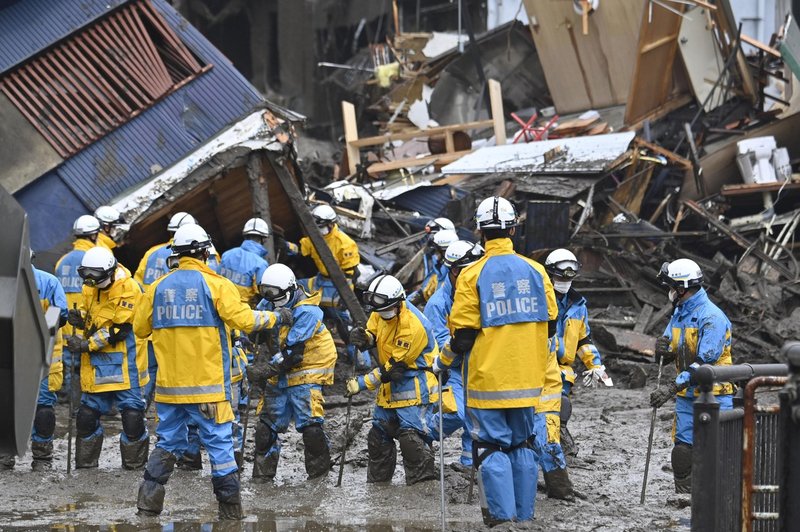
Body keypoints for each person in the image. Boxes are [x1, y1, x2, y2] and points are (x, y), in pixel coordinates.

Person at [133, 223, 293, 520]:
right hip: (208, 389)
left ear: (177, 254)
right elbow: (245, 320)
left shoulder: (157, 288)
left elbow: (140, 328)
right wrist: (277, 317)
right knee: (220, 446)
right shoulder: (216, 285)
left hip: (169, 390)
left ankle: (147, 507)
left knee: (167, 442)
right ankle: (231, 515)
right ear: (205, 252)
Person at [433, 196, 558, 526]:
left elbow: (462, 337)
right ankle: (524, 518)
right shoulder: (537, 272)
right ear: (514, 229)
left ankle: (503, 523)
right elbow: (551, 326)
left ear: (478, 232)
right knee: (523, 444)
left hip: (488, 384)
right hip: (529, 382)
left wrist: (442, 362)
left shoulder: (472, 275)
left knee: (490, 448)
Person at [649, 258, 734, 494]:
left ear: (682, 288)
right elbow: (670, 349)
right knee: (683, 450)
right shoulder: (679, 312)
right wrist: (662, 351)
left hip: (715, 394)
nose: (668, 291)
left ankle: (720, 496)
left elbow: (703, 362)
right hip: (687, 394)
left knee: (718, 447)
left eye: (670, 286)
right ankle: (686, 496)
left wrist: (670, 388)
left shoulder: (712, 317)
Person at [346, 274, 439, 485]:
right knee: (378, 438)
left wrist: (360, 384)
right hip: (389, 391)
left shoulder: (413, 327)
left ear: (399, 304)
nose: (382, 315)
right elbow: (374, 331)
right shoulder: (381, 311)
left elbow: (391, 369)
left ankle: (421, 489)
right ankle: (378, 488)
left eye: (387, 311)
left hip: (414, 388)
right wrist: (365, 338)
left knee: (411, 440)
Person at [247, 264, 337, 482]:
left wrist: (264, 371)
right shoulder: (270, 300)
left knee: (311, 429)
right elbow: (255, 323)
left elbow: (293, 354)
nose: (270, 300)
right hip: (282, 369)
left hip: (308, 368)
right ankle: (262, 478)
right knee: (265, 429)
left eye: (274, 295)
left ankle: (319, 477)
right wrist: (253, 334)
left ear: (289, 289)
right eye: (266, 293)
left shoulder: (309, 311)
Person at [63, 247, 150, 470]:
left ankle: (134, 465)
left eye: (95, 276)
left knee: (132, 418)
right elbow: (93, 317)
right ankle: (86, 465)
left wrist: (85, 344)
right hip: (96, 367)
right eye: (86, 276)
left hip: (124, 365)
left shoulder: (129, 289)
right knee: (86, 417)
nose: (90, 281)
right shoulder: (90, 288)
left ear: (109, 272)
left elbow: (118, 329)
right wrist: (79, 318)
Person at [0, 261, 68, 471]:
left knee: (12, 405)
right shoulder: (49, 281)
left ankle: (8, 455)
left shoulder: (43, 282)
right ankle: (41, 459)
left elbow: (60, 316)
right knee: (42, 407)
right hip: (41, 356)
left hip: (26, 357)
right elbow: (60, 316)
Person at [544, 249, 612, 455]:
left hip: (564, 370)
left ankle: (555, 445)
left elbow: (584, 340)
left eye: (569, 275)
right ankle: (553, 447)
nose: (564, 280)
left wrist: (595, 365)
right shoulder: (541, 300)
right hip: (540, 365)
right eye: (559, 275)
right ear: (549, 274)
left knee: (559, 408)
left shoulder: (578, 306)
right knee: (550, 409)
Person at [423, 240, 484, 470]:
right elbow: (439, 345)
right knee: (455, 413)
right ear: (456, 271)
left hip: (478, 368)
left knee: (476, 421)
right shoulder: (438, 304)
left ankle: (469, 463)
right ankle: (425, 434)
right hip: (450, 369)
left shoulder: (477, 295)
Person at [295, 204, 369, 369]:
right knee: (295, 288)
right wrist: (287, 247)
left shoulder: (344, 243)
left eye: (321, 226)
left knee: (344, 325)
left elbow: (352, 274)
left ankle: (360, 360)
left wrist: (346, 297)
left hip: (338, 285)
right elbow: (301, 249)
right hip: (321, 280)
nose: (318, 230)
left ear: (330, 224)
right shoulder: (313, 238)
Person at [54, 215, 101, 403]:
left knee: (67, 361)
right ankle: (83, 399)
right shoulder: (95, 258)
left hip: (66, 321)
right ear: (93, 235)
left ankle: (65, 394)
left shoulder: (62, 261)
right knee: (85, 364)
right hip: (85, 320)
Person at [219, 218, 271, 305]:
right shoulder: (261, 264)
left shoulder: (226, 254)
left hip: (221, 307)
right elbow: (263, 295)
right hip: (244, 313)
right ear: (263, 239)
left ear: (245, 236)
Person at [415, 229, 459, 305]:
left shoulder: (453, 278)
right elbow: (424, 292)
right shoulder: (439, 273)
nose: (436, 256)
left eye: (437, 252)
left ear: (446, 252)